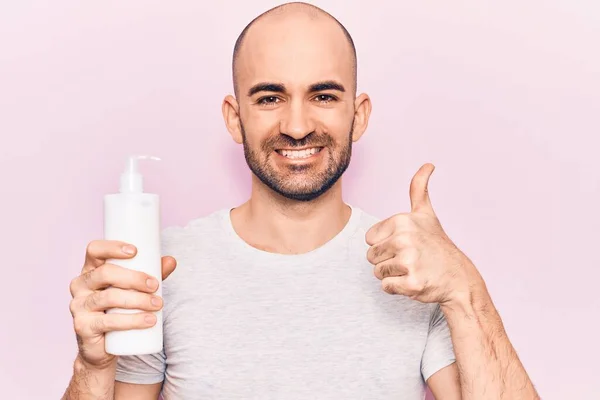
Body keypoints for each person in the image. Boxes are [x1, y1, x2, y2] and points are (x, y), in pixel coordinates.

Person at [62, 2, 539, 399]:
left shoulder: (413, 271)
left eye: (324, 96)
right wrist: (92, 366)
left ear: (359, 115)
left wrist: (464, 289)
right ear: (234, 118)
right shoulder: (161, 269)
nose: (296, 125)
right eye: (270, 98)